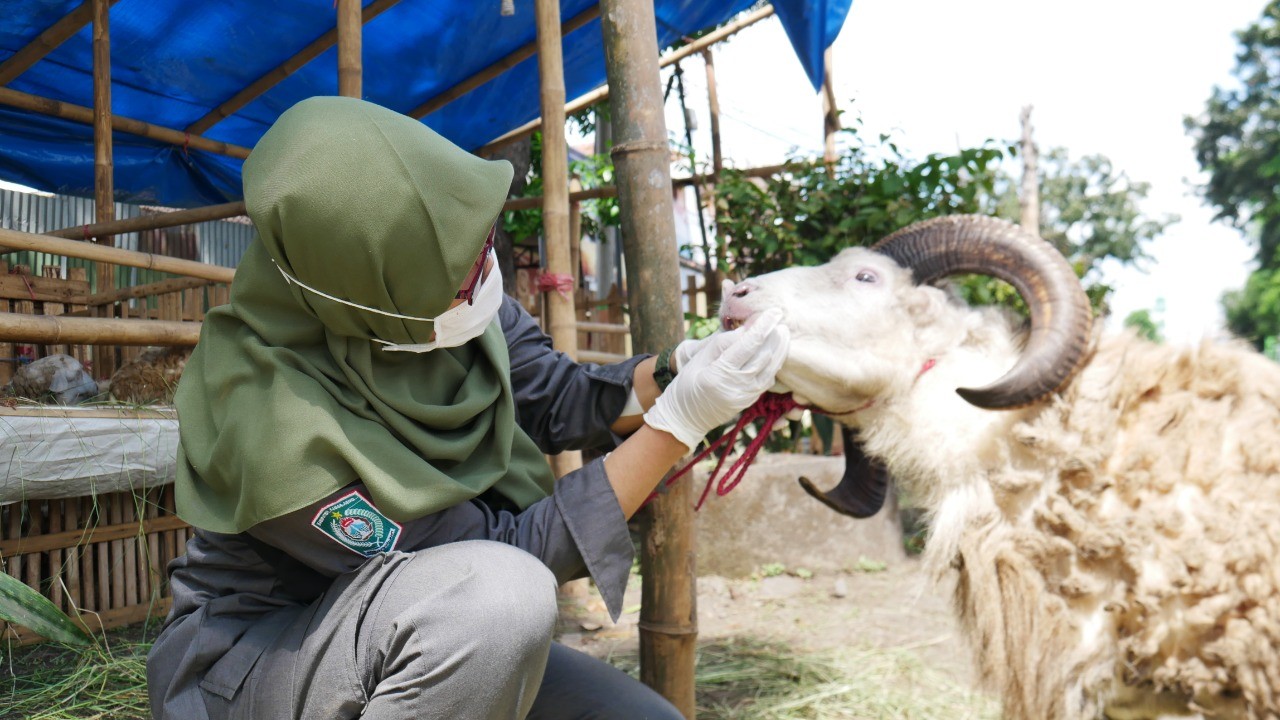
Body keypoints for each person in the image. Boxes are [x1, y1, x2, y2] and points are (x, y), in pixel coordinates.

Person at [146, 97, 789, 720]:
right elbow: (503, 554)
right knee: (498, 600)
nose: (482, 280)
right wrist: (678, 423)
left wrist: (682, 366)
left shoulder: (435, 295)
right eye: (459, 275)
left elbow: (558, 397)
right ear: (364, 286)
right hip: (264, 662)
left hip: (430, 633)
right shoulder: (265, 420)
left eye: (480, 247)